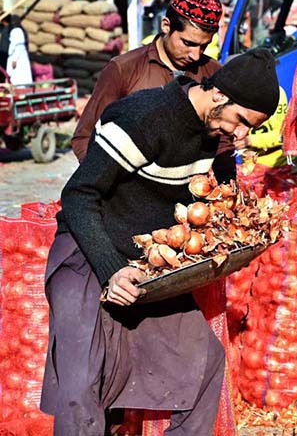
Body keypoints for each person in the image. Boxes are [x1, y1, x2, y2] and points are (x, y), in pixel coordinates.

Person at [40, 47, 280, 436]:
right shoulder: (143, 117)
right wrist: (110, 270)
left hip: (147, 265)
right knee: (81, 385)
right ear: (218, 94)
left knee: (206, 363)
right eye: (241, 121)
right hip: (88, 251)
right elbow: (79, 196)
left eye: (250, 127)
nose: (241, 134)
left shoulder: (215, 135)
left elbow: (221, 194)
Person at [71, 0, 225, 163]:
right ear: (166, 25)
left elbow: (223, 140)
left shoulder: (214, 73)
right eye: (188, 43)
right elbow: (85, 137)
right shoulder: (123, 69)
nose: (196, 55)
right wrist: (105, 181)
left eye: (203, 46)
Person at [0, 14, 32, 85]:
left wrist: (14, 59)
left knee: (18, 75)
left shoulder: (17, 31)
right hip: (14, 56)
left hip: (18, 58)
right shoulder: (14, 31)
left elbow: (18, 46)